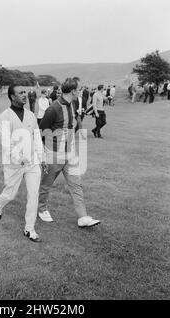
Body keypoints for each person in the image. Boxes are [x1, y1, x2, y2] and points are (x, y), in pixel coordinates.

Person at [38, 77, 100, 228]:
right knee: (46, 185)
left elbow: (73, 125)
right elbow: (41, 131)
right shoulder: (53, 108)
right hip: (53, 154)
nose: (79, 91)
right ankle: (41, 209)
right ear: (73, 91)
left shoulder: (72, 104)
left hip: (70, 154)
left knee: (76, 185)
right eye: (78, 89)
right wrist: (43, 155)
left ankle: (83, 217)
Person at [0, 84, 44, 243]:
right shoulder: (4, 117)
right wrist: (19, 157)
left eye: (25, 92)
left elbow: (37, 137)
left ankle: (29, 228)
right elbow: (7, 144)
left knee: (33, 194)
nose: (25, 95)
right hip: (14, 163)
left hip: (32, 163)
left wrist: (41, 158)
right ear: (12, 97)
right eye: (21, 93)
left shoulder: (31, 115)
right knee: (10, 194)